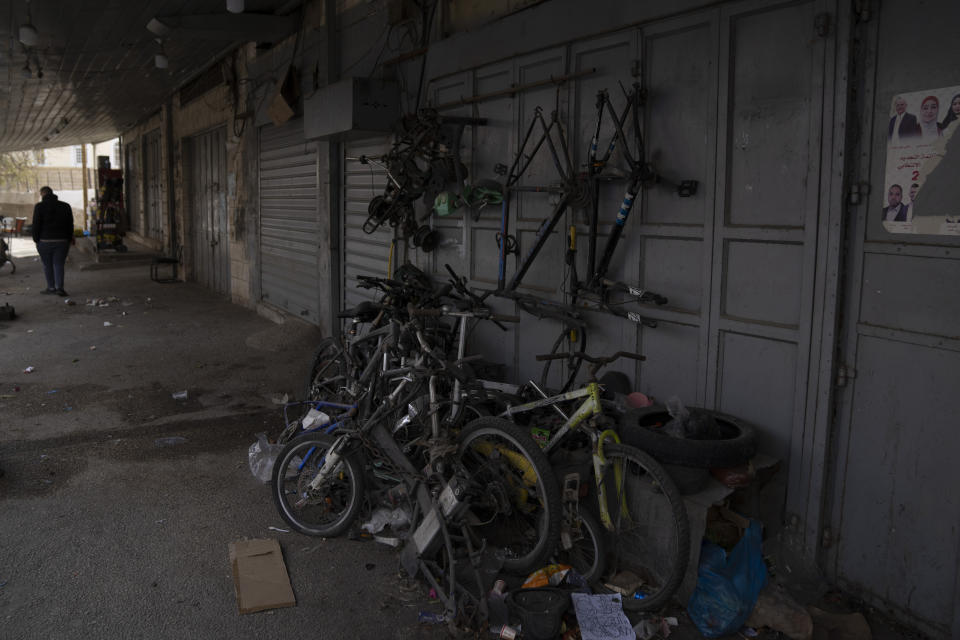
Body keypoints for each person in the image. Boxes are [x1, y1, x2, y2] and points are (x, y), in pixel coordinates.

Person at [31, 186, 75, 296]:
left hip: (44, 241)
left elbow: (36, 224)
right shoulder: (65, 206)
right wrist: (69, 239)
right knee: (59, 264)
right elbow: (70, 224)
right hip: (62, 241)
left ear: (42, 194)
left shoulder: (39, 207)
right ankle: (60, 288)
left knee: (47, 265)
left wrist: (36, 240)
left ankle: (51, 288)